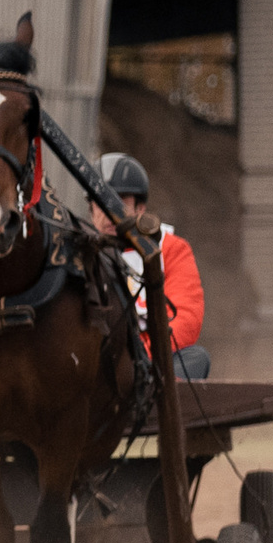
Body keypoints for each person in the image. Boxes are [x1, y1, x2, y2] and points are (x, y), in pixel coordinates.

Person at [93, 151, 210, 379]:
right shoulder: (79, 250)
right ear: (90, 209)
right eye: (100, 202)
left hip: (149, 364)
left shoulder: (172, 249)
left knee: (196, 358)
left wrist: (137, 357)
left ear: (140, 208)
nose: (109, 212)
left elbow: (185, 317)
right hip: (97, 366)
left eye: (119, 202)